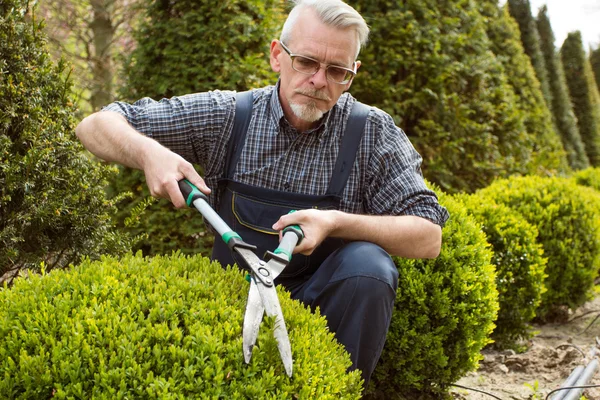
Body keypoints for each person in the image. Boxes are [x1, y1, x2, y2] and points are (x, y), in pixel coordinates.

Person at [76, 0, 449, 388]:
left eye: (336, 71)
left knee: (370, 266)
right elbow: (94, 125)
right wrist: (149, 152)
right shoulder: (229, 116)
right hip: (230, 299)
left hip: (330, 310)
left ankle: (338, 392)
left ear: (352, 74)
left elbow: (428, 236)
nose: (319, 81)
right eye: (306, 62)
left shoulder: (373, 133)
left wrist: (335, 222)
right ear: (277, 56)